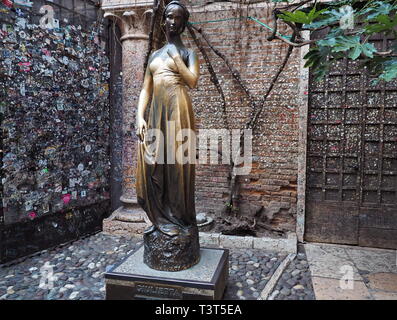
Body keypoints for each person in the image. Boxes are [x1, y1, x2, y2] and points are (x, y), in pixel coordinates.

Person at [135, 1, 200, 238]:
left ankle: (180, 218)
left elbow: (193, 81)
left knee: (177, 163)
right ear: (163, 20)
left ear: (184, 23)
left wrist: (176, 58)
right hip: (156, 112)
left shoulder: (188, 53)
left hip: (178, 108)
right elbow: (146, 90)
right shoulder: (154, 55)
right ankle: (160, 216)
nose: (173, 21)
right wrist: (139, 117)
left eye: (178, 18)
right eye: (170, 17)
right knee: (154, 162)